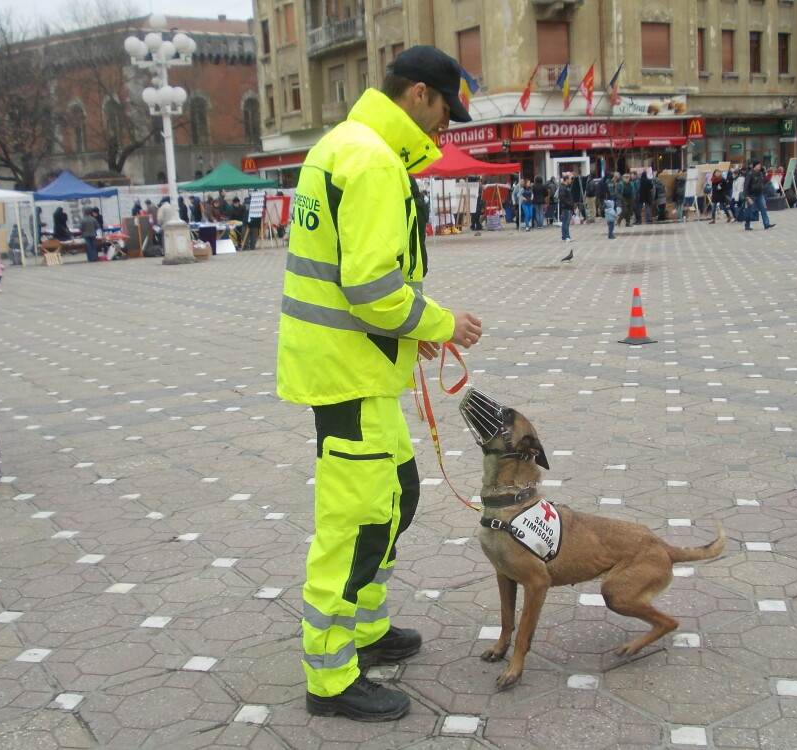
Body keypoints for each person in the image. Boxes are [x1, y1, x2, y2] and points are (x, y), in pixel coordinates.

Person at [276, 44, 483, 723]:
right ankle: (331, 677)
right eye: (443, 113)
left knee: (399, 492)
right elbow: (370, 286)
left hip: (356, 367)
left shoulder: (347, 146)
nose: (443, 129)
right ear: (419, 94)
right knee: (357, 525)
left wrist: (407, 329)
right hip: (347, 372)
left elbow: (350, 276)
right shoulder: (368, 159)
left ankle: (365, 631)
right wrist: (443, 323)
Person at [744, 161, 774, 230]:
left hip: (760, 194)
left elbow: (761, 182)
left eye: (760, 164)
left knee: (763, 208)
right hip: (752, 195)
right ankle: (747, 224)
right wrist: (747, 196)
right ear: (754, 166)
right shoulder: (750, 174)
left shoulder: (760, 173)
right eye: (758, 165)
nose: (759, 166)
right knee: (750, 210)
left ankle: (766, 224)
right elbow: (746, 186)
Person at [558, 173, 575, 256]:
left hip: (569, 207)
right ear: (566, 179)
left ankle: (567, 235)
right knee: (565, 222)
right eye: (570, 179)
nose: (571, 180)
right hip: (566, 207)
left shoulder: (566, 187)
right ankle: (565, 236)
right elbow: (562, 198)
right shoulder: (562, 188)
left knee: (567, 223)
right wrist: (568, 204)